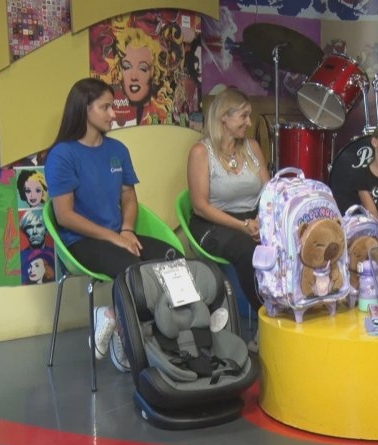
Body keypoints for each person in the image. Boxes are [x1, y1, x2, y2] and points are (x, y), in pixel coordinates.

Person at [45, 78, 182, 372]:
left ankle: (112, 316)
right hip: (81, 241)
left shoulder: (117, 149)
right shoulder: (62, 155)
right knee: (135, 272)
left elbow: (129, 197)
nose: (113, 113)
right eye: (105, 107)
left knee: (174, 260)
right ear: (84, 109)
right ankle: (127, 337)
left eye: (112, 106)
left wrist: (127, 230)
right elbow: (65, 216)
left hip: (118, 234)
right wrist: (113, 237)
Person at [186, 87, 270, 352]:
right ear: (224, 117)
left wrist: (262, 219)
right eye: (243, 116)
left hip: (252, 219)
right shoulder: (201, 152)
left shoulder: (252, 147)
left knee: (283, 242)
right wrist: (244, 227)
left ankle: (285, 311)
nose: (249, 122)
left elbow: (269, 191)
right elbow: (200, 206)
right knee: (247, 249)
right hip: (213, 223)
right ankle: (268, 319)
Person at [112, 27, 171, 127]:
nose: (134, 77)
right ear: (120, 69)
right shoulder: (110, 110)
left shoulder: (160, 115)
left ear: (154, 73)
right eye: (127, 67)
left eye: (143, 68)